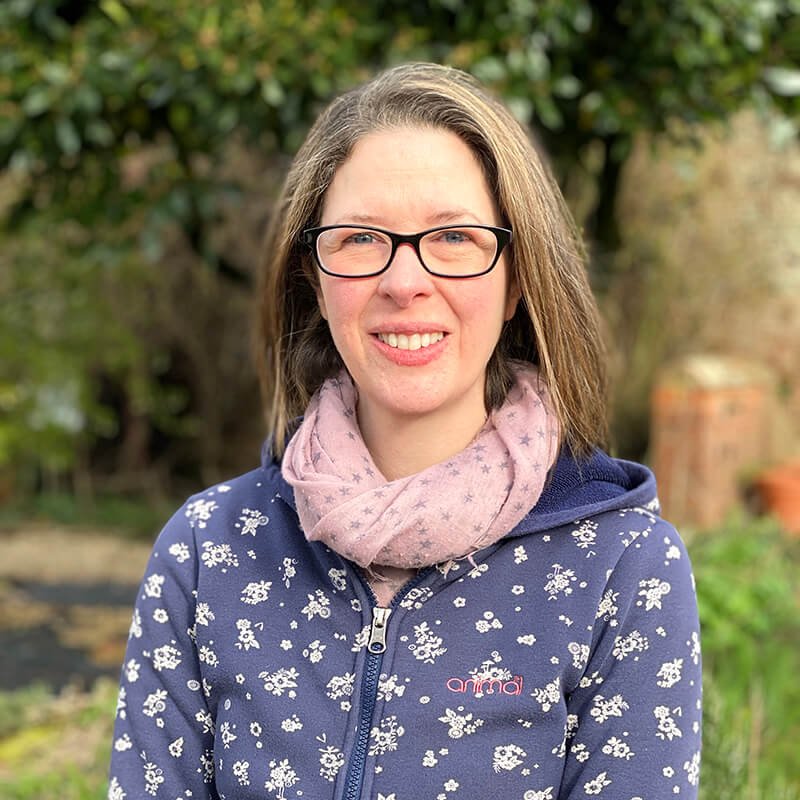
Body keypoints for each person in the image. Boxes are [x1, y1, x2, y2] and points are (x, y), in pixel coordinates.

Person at [108, 63, 701, 800]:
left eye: (453, 236)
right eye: (361, 239)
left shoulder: (621, 569)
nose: (405, 280)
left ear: (518, 279)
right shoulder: (209, 552)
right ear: (314, 281)